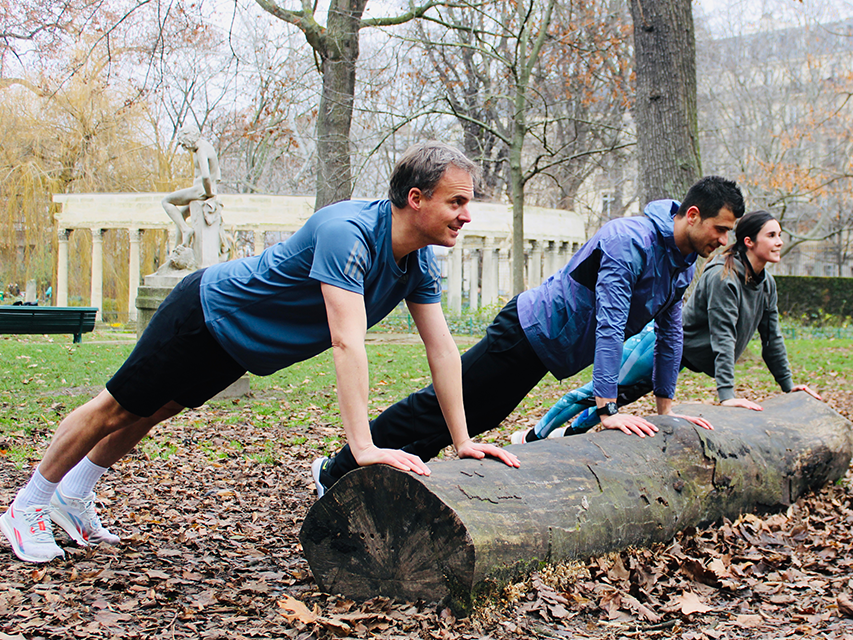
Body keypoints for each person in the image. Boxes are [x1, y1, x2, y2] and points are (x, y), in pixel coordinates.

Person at [1, 141, 517, 564]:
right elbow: (346, 341)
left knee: (150, 412)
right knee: (114, 408)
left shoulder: (419, 261)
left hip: (235, 345)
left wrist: (462, 440)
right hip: (205, 314)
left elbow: (443, 350)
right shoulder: (349, 233)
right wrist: (363, 447)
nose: (466, 215)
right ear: (416, 198)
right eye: (457, 202)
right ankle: (27, 506)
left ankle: (73, 496)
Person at [312, 176, 746, 496]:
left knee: (477, 419)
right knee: (438, 406)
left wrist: (665, 409)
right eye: (721, 229)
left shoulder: (682, 263)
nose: (725, 241)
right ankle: (337, 470)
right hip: (526, 330)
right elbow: (610, 322)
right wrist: (607, 407)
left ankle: (381, 478)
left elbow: (670, 334)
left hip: (548, 349)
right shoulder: (628, 240)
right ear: (693, 215)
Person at [512, 209, 821, 443]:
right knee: (596, 395)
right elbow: (723, 336)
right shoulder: (723, 277)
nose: (779, 241)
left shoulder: (765, 284)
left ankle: (567, 440)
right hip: (655, 347)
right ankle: (532, 439)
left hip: (678, 360)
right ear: (749, 241)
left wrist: (787, 384)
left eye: (780, 235)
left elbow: (772, 337)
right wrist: (726, 395)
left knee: (616, 403)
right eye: (772, 235)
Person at [162, 125, 221, 248]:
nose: (184, 147)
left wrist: (209, 194)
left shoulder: (201, 150)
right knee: (182, 215)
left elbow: (205, 176)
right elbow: (217, 174)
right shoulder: (206, 146)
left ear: (189, 139)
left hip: (201, 190)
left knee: (166, 201)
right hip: (205, 189)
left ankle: (185, 230)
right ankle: (181, 246)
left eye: (184, 144)